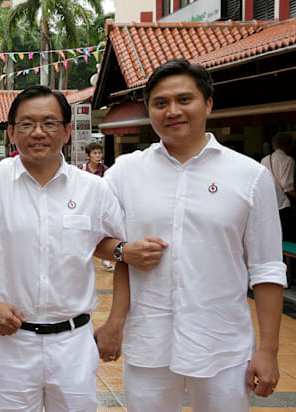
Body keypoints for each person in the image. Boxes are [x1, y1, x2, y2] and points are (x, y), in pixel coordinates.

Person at [94, 59, 286, 412]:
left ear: (208, 103)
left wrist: (268, 351)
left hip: (221, 343)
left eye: (185, 100)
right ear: (149, 109)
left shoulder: (249, 176)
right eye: (160, 103)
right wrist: (123, 251)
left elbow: (267, 267)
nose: (173, 111)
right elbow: (91, 234)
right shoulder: (125, 173)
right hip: (149, 342)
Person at [0, 86, 126, 411]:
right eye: (26, 124)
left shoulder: (94, 189)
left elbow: (124, 253)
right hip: (13, 341)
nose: (38, 132)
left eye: (50, 123)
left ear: (66, 131)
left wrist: (116, 324)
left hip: (74, 342)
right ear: (11, 132)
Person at [261, 132, 296, 240]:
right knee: (287, 236)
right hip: (282, 205)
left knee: (272, 238)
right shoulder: (288, 160)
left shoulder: (265, 160)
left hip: (268, 204)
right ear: (289, 145)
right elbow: (287, 187)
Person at [79, 142, 114, 271]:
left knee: (103, 231)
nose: (98, 156)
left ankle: (106, 259)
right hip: (85, 205)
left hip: (100, 205)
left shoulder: (106, 170)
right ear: (88, 155)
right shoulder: (81, 169)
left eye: (99, 153)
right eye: (94, 153)